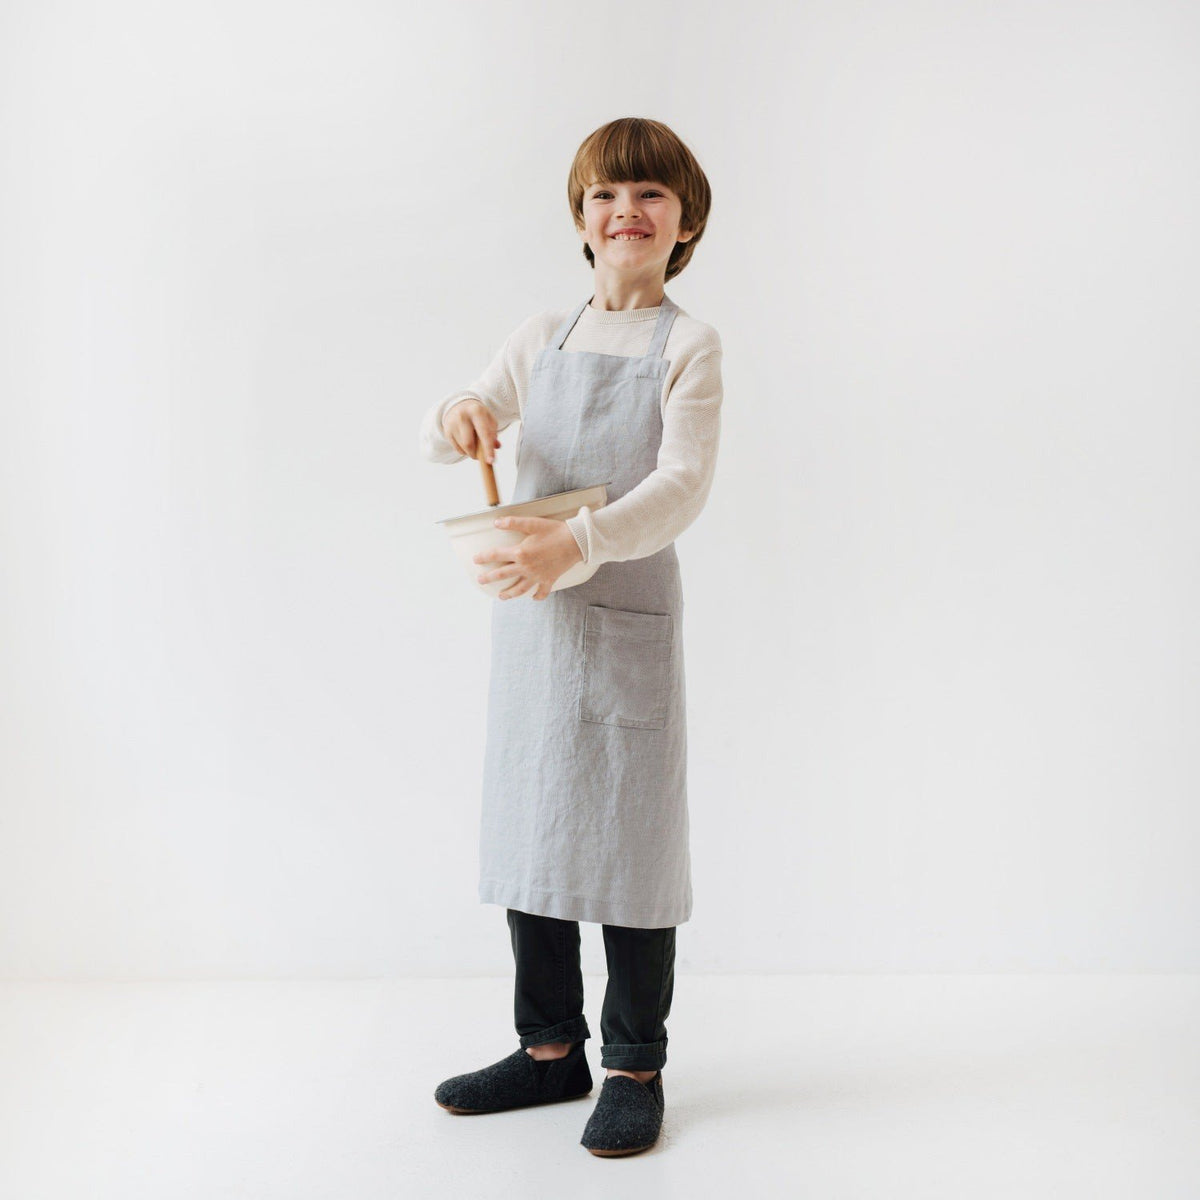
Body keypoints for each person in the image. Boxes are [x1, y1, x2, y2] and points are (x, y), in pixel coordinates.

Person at [419, 116, 723, 1157]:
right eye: (604, 195)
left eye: (648, 196)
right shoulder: (537, 335)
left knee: (631, 846)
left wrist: (576, 545)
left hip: (621, 616)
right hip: (534, 626)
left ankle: (635, 1063)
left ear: (684, 225)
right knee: (536, 828)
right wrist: (463, 410)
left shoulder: (689, 345)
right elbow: (444, 428)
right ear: (580, 220)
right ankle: (549, 1052)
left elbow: (680, 486)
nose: (624, 212)